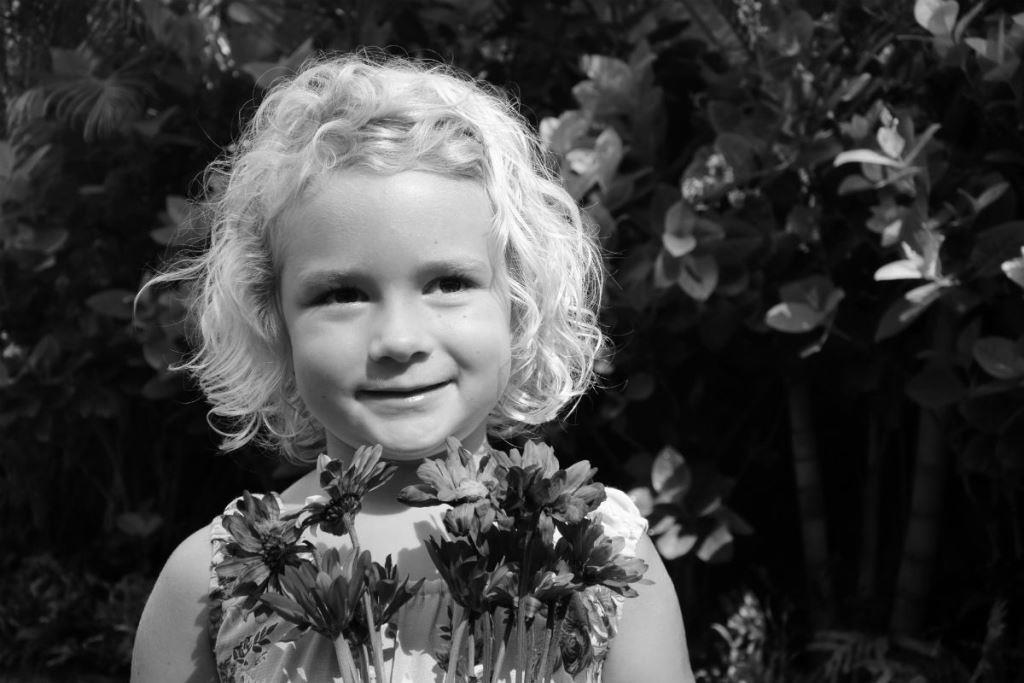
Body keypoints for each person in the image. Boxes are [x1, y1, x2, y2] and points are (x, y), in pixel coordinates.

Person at [131, 53, 694, 683]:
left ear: (519, 302)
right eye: (342, 295)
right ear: (273, 322)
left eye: (448, 282)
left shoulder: (601, 562)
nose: (398, 339)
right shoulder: (212, 586)